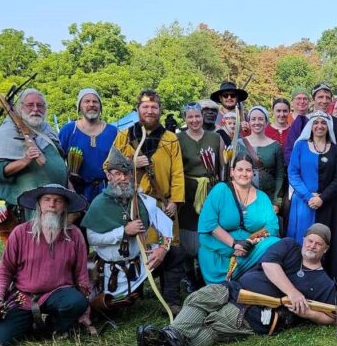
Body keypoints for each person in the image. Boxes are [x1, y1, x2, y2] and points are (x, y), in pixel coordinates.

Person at [135, 225, 337, 346]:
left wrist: (307, 313)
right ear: (304, 239)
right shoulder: (288, 245)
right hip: (236, 287)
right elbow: (270, 265)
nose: (312, 245)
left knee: (215, 323)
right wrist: (294, 292)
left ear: (326, 249)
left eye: (319, 243)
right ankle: (171, 336)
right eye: (310, 240)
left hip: (255, 311)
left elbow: (334, 317)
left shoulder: (324, 282)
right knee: (201, 298)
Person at [0, 185, 90, 346]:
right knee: (0, 344)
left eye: (58, 201)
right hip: (23, 298)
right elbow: (5, 270)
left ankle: (55, 328)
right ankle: (32, 324)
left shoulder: (74, 235)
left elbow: (81, 276)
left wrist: (84, 309)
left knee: (76, 302)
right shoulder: (20, 232)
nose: (52, 205)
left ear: (64, 207)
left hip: (59, 294)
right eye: (47, 200)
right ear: (39, 204)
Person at [83, 149, 189, 314]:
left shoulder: (144, 201)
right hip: (113, 271)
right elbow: (92, 238)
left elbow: (166, 227)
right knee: (110, 310)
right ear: (109, 176)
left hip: (139, 263)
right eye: (118, 174)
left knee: (175, 253)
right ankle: (127, 293)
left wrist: (162, 249)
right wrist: (123, 232)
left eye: (127, 174)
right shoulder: (98, 204)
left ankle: (170, 302)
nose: (123, 179)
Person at [0, 88, 69, 229]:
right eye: (30, 105)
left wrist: (69, 186)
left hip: (57, 202)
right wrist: (25, 160)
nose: (35, 109)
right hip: (29, 207)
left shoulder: (47, 130)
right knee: (32, 247)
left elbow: (60, 161)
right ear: (20, 107)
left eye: (40, 105)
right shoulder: (6, 133)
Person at [112, 89, 184, 243]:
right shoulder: (124, 136)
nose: (149, 111)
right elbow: (108, 167)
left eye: (154, 107)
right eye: (145, 107)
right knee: (138, 253)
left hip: (162, 204)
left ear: (160, 110)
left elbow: (177, 172)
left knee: (164, 249)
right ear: (138, 109)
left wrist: (174, 201)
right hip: (132, 205)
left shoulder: (170, 139)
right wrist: (131, 164)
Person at [197, 156, 280, 284]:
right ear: (232, 172)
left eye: (248, 170)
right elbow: (209, 223)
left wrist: (248, 242)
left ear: (253, 173)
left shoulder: (262, 197)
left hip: (249, 252)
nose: (244, 173)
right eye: (240, 169)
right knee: (221, 291)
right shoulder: (220, 190)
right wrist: (235, 243)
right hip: (218, 253)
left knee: (275, 243)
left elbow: (272, 227)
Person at [286, 111, 337, 283]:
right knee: (302, 240)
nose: (319, 126)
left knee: (322, 242)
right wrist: (308, 196)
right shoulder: (300, 146)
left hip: (327, 204)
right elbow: (293, 173)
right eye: (316, 122)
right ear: (310, 126)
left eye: (323, 123)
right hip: (303, 204)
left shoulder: (336, 150)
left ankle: (322, 280)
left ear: (329, 127)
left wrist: (322, 198)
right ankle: (296, 278)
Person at [176, 100, 224, 271]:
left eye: (197, 116)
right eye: (190, 117)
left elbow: (222, 166)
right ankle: (189, 272)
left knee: (210, 228)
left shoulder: (215, 137)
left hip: (211, 189)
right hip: (188, 192)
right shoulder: (178, 138)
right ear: (185, 118)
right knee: (189, 231)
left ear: (202, 117)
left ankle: (207, 269)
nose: (194, 120)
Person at [58, 88, 118, 202]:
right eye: (87, 101)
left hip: (108, 191)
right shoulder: (69, 130)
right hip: (76, 191)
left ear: (100, 106)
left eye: (95, 101)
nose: (91, 104)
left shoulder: (113, 132)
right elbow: (57, 161)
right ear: (79, 106)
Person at [284, 83, 337, 164]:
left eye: (328, 98)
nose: (324, 101)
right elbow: (290, 150)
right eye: (320, 97)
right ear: (313, 99)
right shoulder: (301, 122)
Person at [240, 106, 286, 217]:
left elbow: (280, 176)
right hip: (243, 197)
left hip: (268, 197)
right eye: (253, 119)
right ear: (249, 122)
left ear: (266, 122)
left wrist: (277, 202)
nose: (257, 122)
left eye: (260, 119)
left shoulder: (275, 146)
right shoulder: (239, 144)